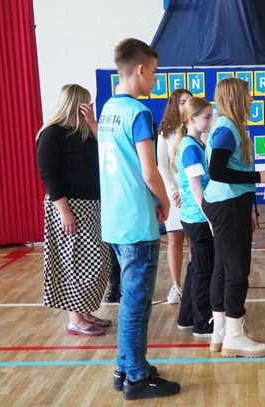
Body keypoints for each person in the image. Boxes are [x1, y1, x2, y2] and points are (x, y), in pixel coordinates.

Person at [98, 38, 180, 400]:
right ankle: (136, 376)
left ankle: (125, 367)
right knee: (136, 303)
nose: (155, 80)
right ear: (141, 69)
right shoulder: (138, 113)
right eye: (155, 72)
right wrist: (164, 202)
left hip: (115, 220)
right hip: (135, 220)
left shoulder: (108, 109)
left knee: (130, 300)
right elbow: (150, 171)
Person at [202, 78, 265, 357]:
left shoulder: (227, 126)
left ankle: (221, 332)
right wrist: (259, 176)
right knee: (237, 270)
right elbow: (217, 171)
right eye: (248, 95)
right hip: (228, 204)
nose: (252, 99)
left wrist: (249, 209)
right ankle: (234, 337)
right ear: (236, 96)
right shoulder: (227, 129)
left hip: (228, 204)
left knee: (223, 268)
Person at [36, 84, 111, 337]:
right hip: (69, 206)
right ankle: (75, 319)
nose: (89, 106)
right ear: (74, 104)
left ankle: (84, 311)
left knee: (98, 261)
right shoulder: (52, 134)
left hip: (91, 205)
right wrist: (64, 211)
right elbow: (49, 175)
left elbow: (107, 150)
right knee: (76, 262)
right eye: (85, 102)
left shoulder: (85, 132)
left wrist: (92, 123)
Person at [174, 97, 214, 338]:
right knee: (203, 270)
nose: (210, 121)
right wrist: (210, 217)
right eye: (206, 117)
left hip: (195, 215)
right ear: (191, 119)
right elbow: (196, 186)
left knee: (196, 267)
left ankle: (186, 317)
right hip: (197, 218)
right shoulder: (189, 147)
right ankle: (202, 323)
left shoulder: (196, 144)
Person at [157, 89, 193, 304]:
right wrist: (173, 191)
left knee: (195, 240)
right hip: (175, 196)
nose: (186, 104)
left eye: (190, 101)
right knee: (175, 240)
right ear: (174, 105)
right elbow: (162, 166)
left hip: (194, 192)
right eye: (182, 102)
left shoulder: (198, 128)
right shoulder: (165, 133)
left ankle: (194, 284)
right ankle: (176, 286)